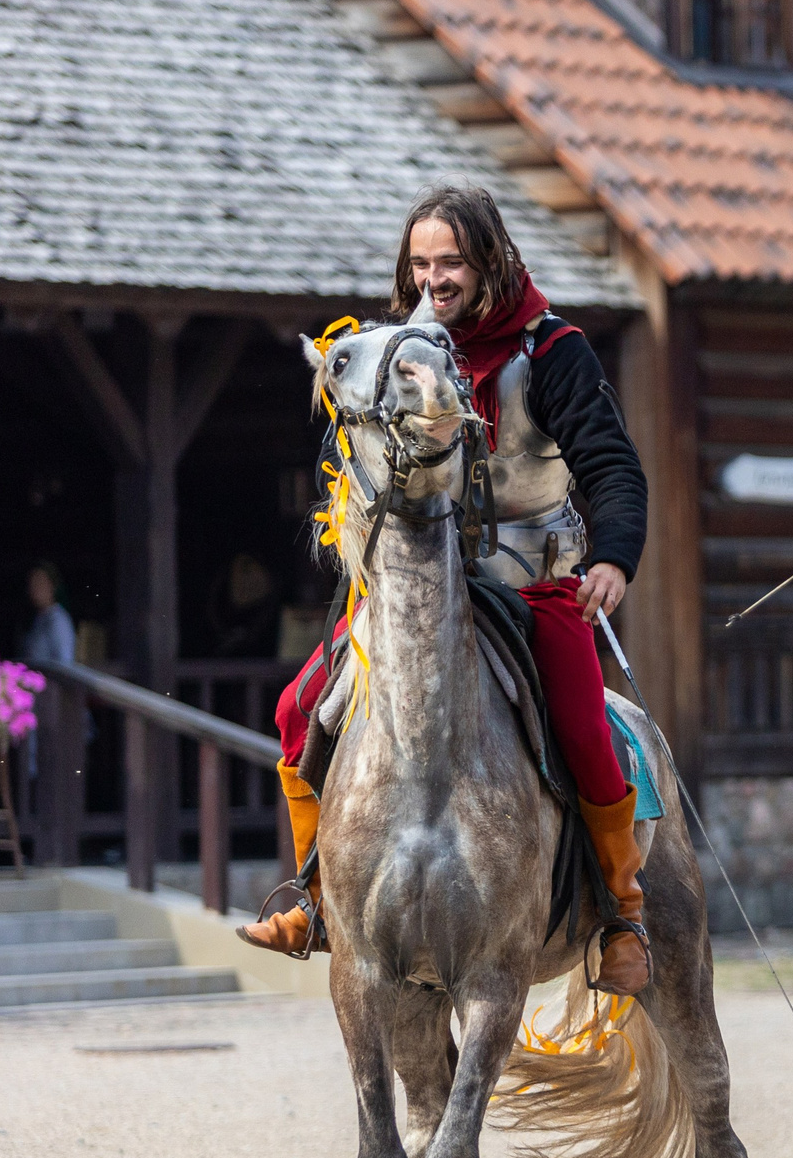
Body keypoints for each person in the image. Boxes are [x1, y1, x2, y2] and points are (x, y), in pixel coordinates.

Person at [239, 185, 654, 992]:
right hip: (418, 585)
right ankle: (318, 898)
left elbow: (611, 464)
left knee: (580, 723)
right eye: (422, 263)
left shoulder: (555, 351)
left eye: (452, 262)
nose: (435, 278)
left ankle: (622, 913)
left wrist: (616, 558)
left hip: (531, 582)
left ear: (489, 259)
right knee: (298, 710)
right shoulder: (395, 351)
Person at [19, 561, 76, 664]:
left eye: (40, 583)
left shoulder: (58, 620)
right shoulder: (36, 619)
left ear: (53, 586)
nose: (35, 588)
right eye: (32, 583)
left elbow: (65, 663)